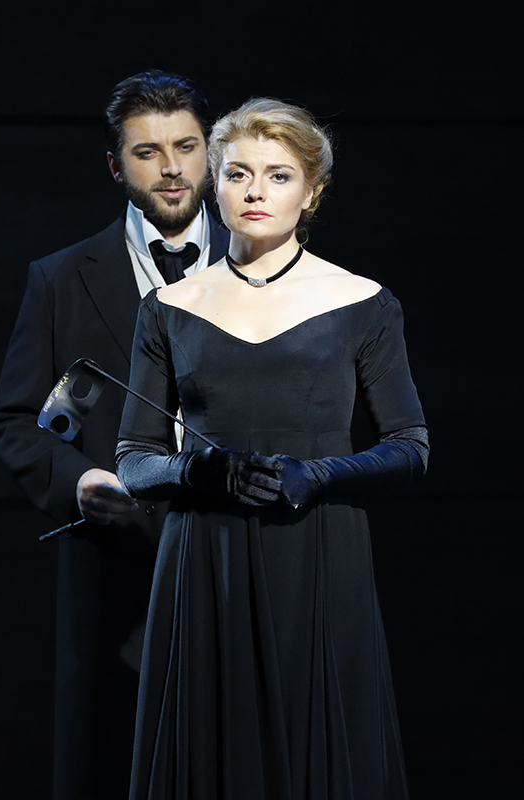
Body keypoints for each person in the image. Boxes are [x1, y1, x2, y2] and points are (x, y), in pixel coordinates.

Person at [116, 98, 429, 799]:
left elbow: (410, 448)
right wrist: (195, 468)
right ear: (214, 186)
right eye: (239, 174)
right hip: (204, 560)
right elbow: (134, 458)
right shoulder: (169, 308)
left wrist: (316, 474)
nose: (256, 191)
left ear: (311, 192)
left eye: (279, 175)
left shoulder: (363, 301)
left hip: (320, 550)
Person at [0, 71, 229, 800]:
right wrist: (80, 482)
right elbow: (15, 422)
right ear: (115, 164)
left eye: (187, 146)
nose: (172, 167)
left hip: (246, 553)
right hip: (119, 572)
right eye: (148, 151)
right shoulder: (60, 278)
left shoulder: (268, 268)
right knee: (116, 766)